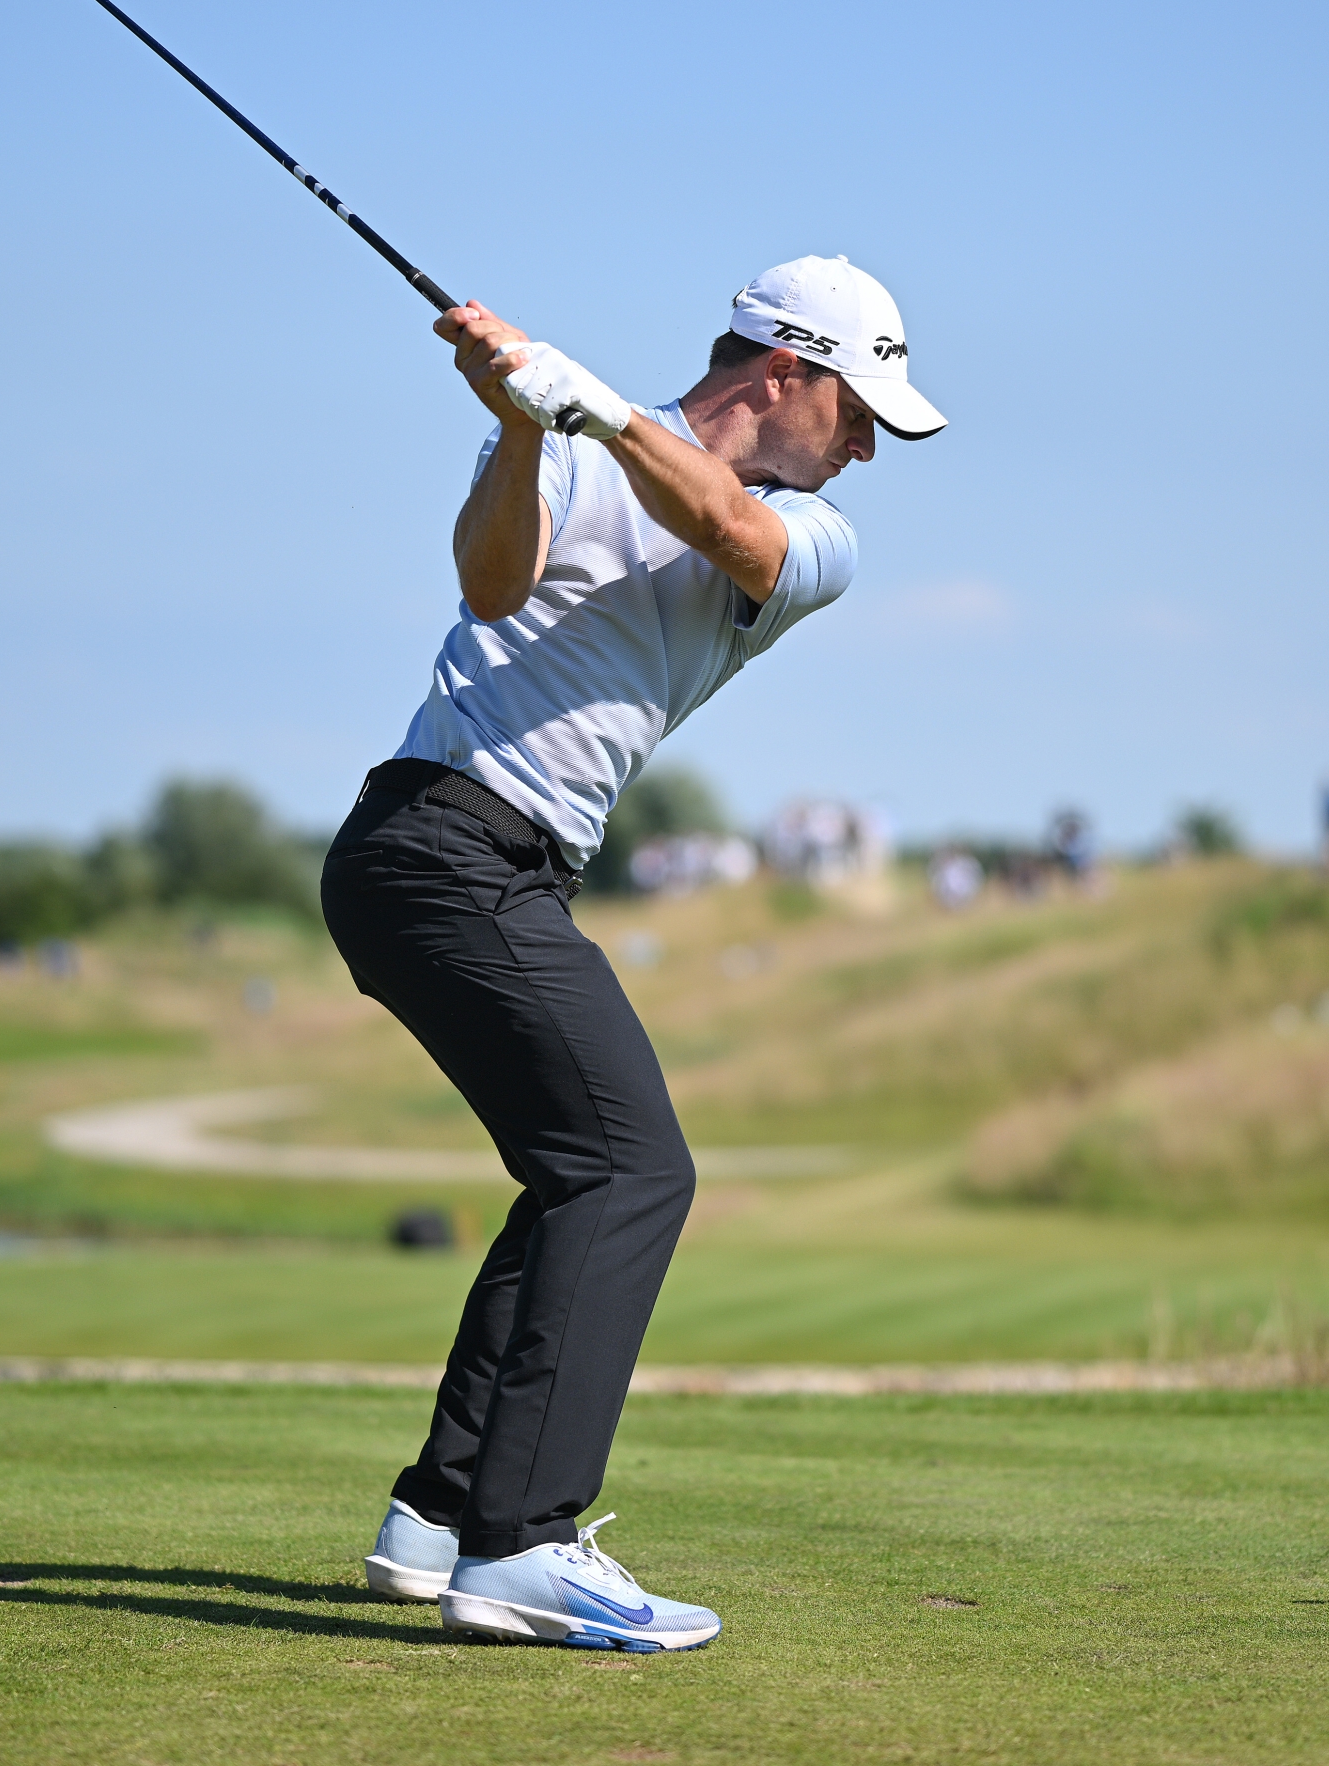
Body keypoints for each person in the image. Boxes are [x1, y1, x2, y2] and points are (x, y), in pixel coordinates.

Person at [325, 257, 943, 1653]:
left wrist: (579, 402)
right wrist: (525, 424)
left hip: (489, 866)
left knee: (579, 1168)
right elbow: (491, 591)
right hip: (433, 843)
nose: (864, 446)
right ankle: (525, 1545)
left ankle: (442, 1516)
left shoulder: (810, 544)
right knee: (628, 1166)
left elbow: (722, 518)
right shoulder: (565, 432)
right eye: (858, 411)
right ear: (783, 370)